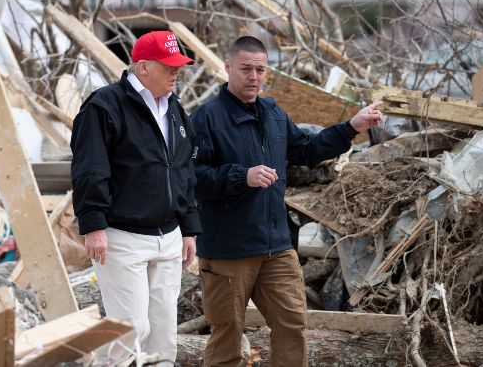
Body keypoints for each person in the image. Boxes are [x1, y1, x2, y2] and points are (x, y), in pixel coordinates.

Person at [191, 36, 383, 367]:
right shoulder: (205, 118)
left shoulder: (273, 114)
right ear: (227, 68)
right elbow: (192, 177)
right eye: (246, 68)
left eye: (260, 70)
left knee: (292, 324)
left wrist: (352, 127)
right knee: (228, 333)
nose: (254, 77)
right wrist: (242, 176)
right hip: (228, 250)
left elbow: (307, 149)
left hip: (276, 246)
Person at [70, 30, 202, 363]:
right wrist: (93, 225)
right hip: (122, 237)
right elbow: (90, 168)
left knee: (162, 333)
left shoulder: (174, 108)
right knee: (130, 329)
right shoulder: (104, 105)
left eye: (179, 66)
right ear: (143, 67)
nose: (176, 72)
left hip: (169, 236)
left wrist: (189, 228)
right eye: (168, 65)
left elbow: (183, 169)